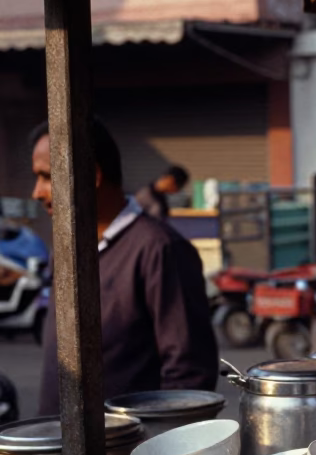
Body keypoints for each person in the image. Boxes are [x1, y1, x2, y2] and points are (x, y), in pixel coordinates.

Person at [31, 120, 219, 414]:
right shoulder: (67, 248)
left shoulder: (159, 249)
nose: (37, 192)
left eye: (46, 177)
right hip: (59, 446)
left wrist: (152, 452)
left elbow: (188, 375)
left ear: (91, 175)